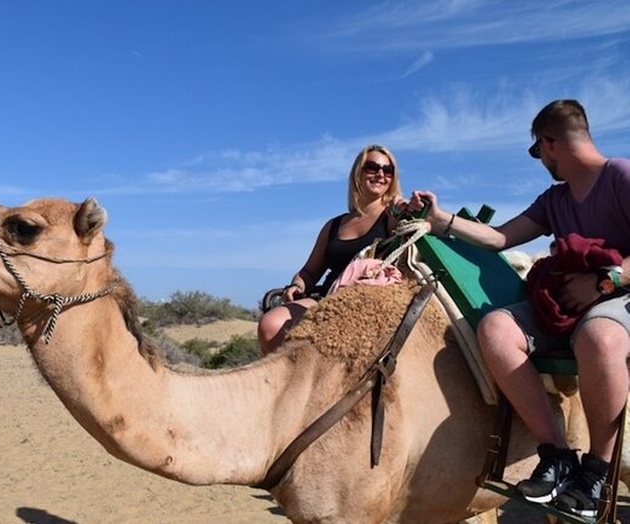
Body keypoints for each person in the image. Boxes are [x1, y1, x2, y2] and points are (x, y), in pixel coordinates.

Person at [409, 99, 630, 518]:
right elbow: (497, 239)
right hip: (566, 304)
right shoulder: (555, 200)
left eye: (537, 152)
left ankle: (597, 471)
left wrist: (606, 280)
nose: (540, 161)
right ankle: (557, 456)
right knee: (495, 329)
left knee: (599, 337)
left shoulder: (620, 175)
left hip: (619, 299)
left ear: (549, 144)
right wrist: (441, 219)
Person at [257, 144, 404, 355]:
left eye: (387, 170)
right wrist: (297, 285)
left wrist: (401, 208)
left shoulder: (392, 217)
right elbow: (309, 271)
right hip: (327, 297)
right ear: (358, 173)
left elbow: (411, 227)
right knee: (270, 325)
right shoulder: (334, 225)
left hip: (368, 302)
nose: (380, 174)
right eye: (372, 167)